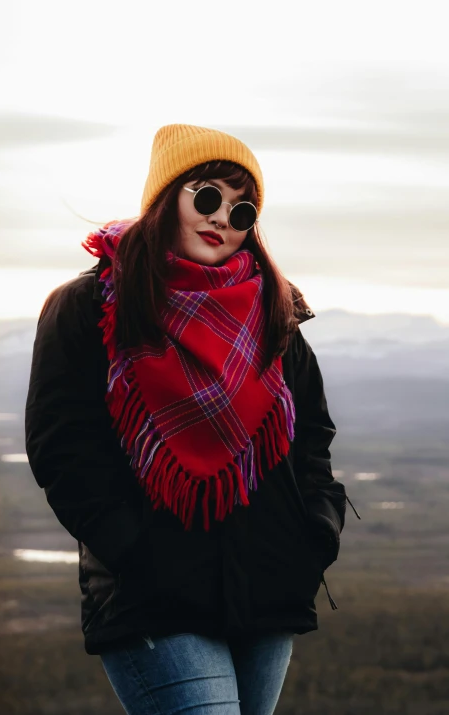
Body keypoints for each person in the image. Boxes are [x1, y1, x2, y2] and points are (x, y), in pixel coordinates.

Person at [25, 124, 357, 715]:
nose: (223, 218)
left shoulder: (273, 313)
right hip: (153, 596)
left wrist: (314, 539)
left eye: (243, 209)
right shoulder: (89, 308)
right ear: (165, 198)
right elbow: (63, 449)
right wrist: (140, 554)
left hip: (267, 587)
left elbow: (312, 441)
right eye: (207, 196)